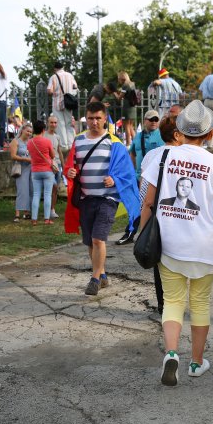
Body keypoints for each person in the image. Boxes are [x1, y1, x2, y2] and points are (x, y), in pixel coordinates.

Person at [139, 99, 213, 386]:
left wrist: (143, 236)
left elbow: (148, 202)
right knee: (200, 303)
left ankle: (171, 353)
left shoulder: (163, 157)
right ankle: (195, 362)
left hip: (169, 245)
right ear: (208, 134)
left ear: (179, 131)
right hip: (205, 247)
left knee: (172, 302)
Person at [64, 102, 140, 296]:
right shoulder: (78, 140)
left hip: (108, 199)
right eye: (91, 118)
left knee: (98, 239)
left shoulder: (114, 142)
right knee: (90, 241)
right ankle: (103, 274)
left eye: (98, 118)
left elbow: (128, 173)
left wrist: (114, 178)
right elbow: (70, 166)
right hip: (86, 198)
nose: (94, 122)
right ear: (86, 119)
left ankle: (95, 278)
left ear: (105, 119)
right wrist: (71, 172)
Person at [139, 115, 185, 314]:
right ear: (177, 134)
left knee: (161, 262)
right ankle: (179, 302)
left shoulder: (152, 155)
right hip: (182, 216)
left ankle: (163, 304)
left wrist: (143, 228)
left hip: (159, 217)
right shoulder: (188, 155)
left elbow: (145, 195)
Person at [116, 110, 164, 245]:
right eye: (151, 119)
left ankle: (148, 235)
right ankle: (132, 233)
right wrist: (133, 172)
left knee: (150, 206)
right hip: (139, 177)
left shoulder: (162, 136)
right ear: (145, 121)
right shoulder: (138, 136)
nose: (154, 121)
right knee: (137, 206)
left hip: (154, 179)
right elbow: (132, 153)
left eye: (156, 119)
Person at [27, 120, 56, 225]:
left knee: (36, 194)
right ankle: (46, 219)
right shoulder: (47, 141)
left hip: (35, 170)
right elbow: (52, 156)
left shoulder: (30, 142)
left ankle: (34, 219)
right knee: (47, 194)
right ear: (43, 130)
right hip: (47, 170)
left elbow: (30, 154)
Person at [46, 61, 78, 156]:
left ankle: (64, 146)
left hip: (57, 103)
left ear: (55, 68)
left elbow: (49, 90)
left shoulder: (54, 77)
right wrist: (70, 93)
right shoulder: (70, 75)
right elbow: (75, 87)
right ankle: (71, 144)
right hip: (68, 102)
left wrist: (55, 92)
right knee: (68, 123)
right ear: (62, 67)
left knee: (60, 123)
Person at [10, 123, 33, 223]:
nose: (29, 133)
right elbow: (13, 156)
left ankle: (27, 212)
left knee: (30, 190)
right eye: (27, 131)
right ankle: (17, 214)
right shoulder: (15, 141)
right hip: (21, 168)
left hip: (31, 168)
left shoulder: (31, 142)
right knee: (21, 190)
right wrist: (25, 159)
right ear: (22, 130)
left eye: (31, 132)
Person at [43, 115, 65, 219]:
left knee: (55, 190)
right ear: (47, 123)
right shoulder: (43, 136)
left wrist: (64, 166)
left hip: (57, 166)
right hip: (47, 166)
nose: (53, 125)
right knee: (53, 186)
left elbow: (59, 152)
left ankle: (52, 209)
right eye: (51, 122)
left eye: (55, 123)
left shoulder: (57, 137)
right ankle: (47, 209)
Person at [117, 71, 139, 147]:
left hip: (127, 108)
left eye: (119, 79)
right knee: (130, 126)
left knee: (126, 126)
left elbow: (119, 98)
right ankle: (136, 142)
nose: (118, 81)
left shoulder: (125, 86)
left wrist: (115, 93)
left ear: (122, 78)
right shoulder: (132, 84)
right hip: (133, 107)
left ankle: (128, 143)